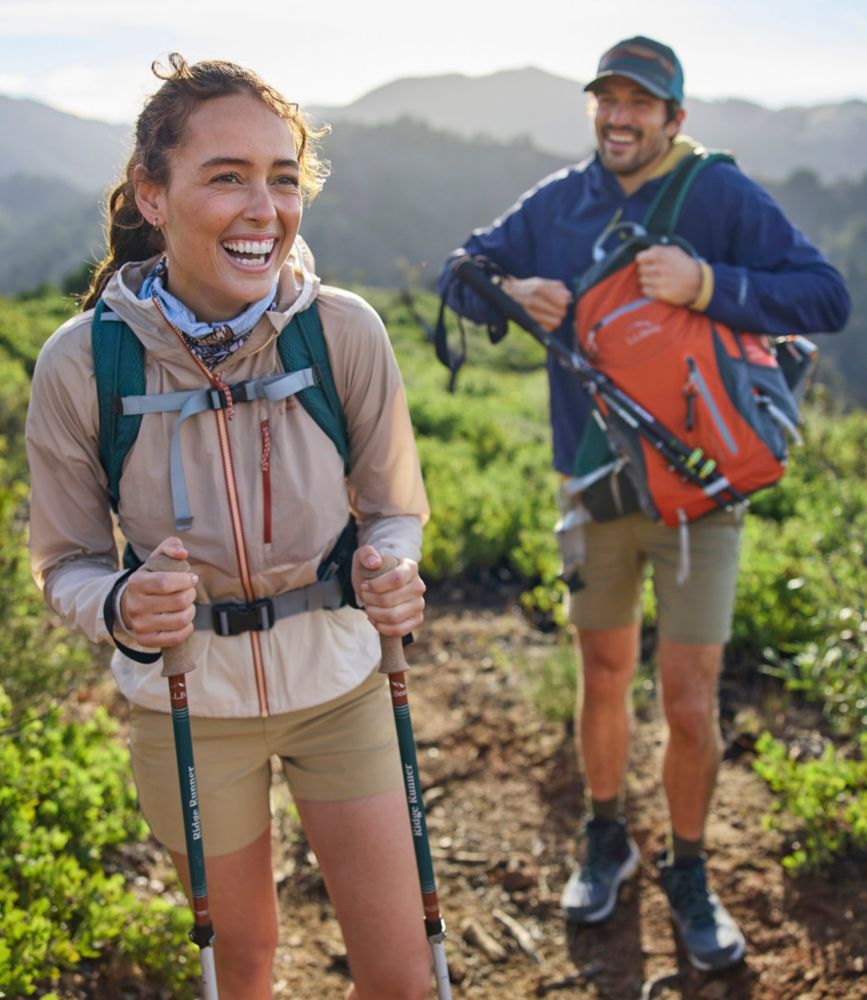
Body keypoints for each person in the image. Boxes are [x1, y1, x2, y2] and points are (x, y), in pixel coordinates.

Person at [437, 36, 850, 971]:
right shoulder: (558, 200)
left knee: (691, 699)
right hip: (589, 486)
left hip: (699, 489)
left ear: (674, 118)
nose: (618, 117)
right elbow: (455, 273)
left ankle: (691, 869)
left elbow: (825, 297)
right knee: (602, 675)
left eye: (640, 103)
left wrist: (708, 285)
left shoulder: (717, 195)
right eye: (605, 101)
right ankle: (606, 835)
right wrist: (513, 290)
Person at [26, 55, 432, 1000]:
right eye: (226, 176)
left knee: (401, 971)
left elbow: (395, 508)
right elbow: (66, 561)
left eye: (282, 177)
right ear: (152, 197)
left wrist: (390, 564)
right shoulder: (85, 362)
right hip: (185, 707)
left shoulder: (341, 333)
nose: (264, 208)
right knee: (241, 969)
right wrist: (122, 604)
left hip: (342, 684)